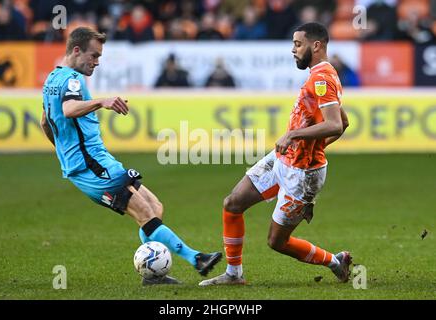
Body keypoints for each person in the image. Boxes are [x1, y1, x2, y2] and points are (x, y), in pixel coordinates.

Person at [40, 27, 221, 285]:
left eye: (99, 56)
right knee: (146, 213)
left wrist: (63, 154)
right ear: (76, 50)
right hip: (91, 166)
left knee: (155, 207)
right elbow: (68, 110)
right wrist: (101, 102)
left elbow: (46, 122)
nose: (97, 62)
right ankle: (197, 259)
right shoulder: (73, 80)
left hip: (97, 162)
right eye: (93, 56)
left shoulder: (52, 78)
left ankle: (152, 275)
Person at [199, 22, 351, 286]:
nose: (293, 50)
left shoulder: (323, 77)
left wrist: (294, 137)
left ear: (316, 46)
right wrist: (313, 145)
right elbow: (344, 121)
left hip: (303, 174)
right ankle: (234, 274)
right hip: (283, 159)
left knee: (276, 241)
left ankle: (334, 261)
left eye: (298, 44)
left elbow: (336, 124)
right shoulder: (321, 74)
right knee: (232, 204)